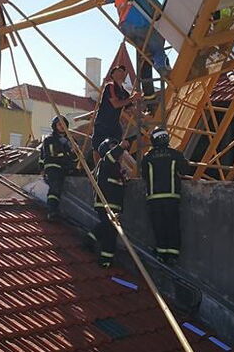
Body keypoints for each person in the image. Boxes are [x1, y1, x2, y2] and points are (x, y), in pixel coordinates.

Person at [109, 0, 170, 105]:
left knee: (144, 58)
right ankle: (162, 67)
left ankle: (149, 95)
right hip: (142, 24)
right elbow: (157, 3)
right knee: (157, 48)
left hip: (126, 28)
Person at [141, 126, 191, 266]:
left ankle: (161, 254)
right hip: (171, 196)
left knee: (159, 226)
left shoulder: (147, 157)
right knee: (172, 225)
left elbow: (144, 175)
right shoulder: (176, 154)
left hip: (154, 197)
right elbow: (185, 170)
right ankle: (173, 255)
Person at [87, 137, 132, 268]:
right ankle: (105, 259)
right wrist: (121, 146)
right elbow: (111, 156)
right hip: (105, 203)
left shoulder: (115, 167)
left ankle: (90, 240)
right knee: (110, 231)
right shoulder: (105, 162)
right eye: (112, 147)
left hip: (113, 205)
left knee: (109, 229)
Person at [92, 65, 139, 156]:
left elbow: (131, 108)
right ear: (112, 75)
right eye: (117, 71)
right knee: (98, 146)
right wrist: (132, 98)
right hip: (103, 122)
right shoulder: (110, 86)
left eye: (122, 71)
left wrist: (143, 115)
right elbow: (116, 104)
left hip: (114, 123)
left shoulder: (124, 92)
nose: (120, 73)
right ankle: (98, 168)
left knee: (117, 146)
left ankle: (115, 166)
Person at [39, 115, 76, 220]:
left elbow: (75, 158)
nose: (62, 126)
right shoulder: (49, 139)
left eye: (64, 124)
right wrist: (42, 169)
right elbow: (43, 155)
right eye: (59, 124)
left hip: (66, 168)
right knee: (55, 187)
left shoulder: (71, 141)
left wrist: (74, 152)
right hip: (53, 167)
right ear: (55, 126)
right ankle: (52, 210)